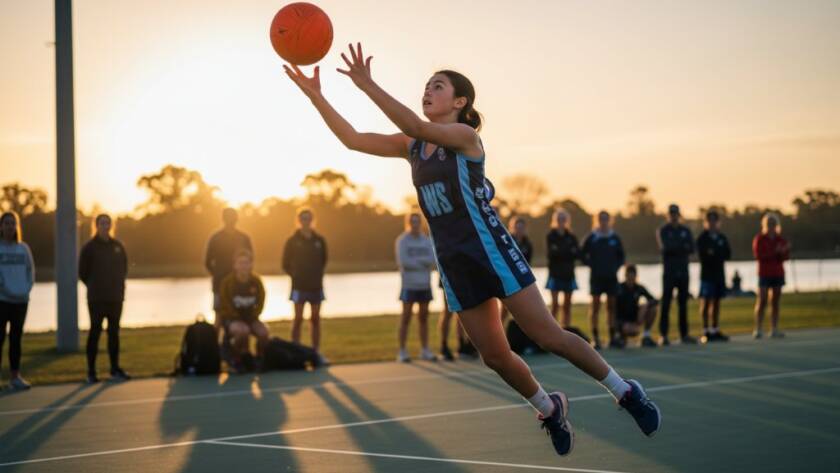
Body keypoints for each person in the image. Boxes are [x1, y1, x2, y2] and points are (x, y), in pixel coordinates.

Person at [283, 45, 660, 456]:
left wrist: (366, 83)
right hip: (453, 261)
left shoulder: (465, 138)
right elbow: (353, 139)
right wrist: (315, 95)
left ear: (459, 102)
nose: (427, 91)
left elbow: (415, 124)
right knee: (495, 356)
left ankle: (626, 392)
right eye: (426, 86)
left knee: (548, 334)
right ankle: (548, 407)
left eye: (437, 87)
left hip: (490, 250)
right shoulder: (412, 145)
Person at [78, 214, 130, 383]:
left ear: (111, 225)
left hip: (116, 297)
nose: (105, 226)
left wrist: (118, 287)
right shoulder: (89, 248)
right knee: (95, 332)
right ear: (96, 225)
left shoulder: (118, 246)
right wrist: (95, 286)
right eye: (102, 223)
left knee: (114, 333)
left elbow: (124, 269)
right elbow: (83, 273)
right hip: (96, 298)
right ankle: (91, 372)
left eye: (108, 223)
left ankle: (115, 369)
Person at [282, 208, 328, 354]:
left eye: (308, 218)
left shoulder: (319, 240)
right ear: (299, 220)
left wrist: (316, 274)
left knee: (315, 319)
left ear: (312, 220)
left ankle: (316, 351)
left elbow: (324, 260)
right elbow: (285, 263)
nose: (306, 221)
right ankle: (295, 351)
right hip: (299, 286)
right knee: (298, 318)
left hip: (316, 285)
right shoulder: (292, 241)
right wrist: (295, 275)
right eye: (303, 218)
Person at [395, 211, 437, 362]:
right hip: (409, 285)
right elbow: (404, 262)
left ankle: (425, 349)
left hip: (424, 284)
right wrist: (422, 262)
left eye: (417, 221)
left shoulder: (426, 240)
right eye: (412, 221)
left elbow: (432, 260)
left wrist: (418, 262)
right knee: (406, 317)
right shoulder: (402, 241)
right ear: (408, 223)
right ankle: (402, 351)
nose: (415, 224)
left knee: (424, 318)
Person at [218, 249, 270, 372]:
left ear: (251, 264)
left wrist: (253, 316)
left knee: (264, 332)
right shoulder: (227, 283)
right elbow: (224, 305)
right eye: (240, 263)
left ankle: (259, 358)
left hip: (251, 318)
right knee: (243, 331)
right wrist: (237, 317)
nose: (243, 266)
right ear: (235, 265)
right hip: (232, 319)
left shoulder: (256, 282)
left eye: (246, 262)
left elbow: (261, 302)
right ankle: (235, 359)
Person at [580, 211, 625, 350]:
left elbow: (621, 257)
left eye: (606, 219)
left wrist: (614, 268)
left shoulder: (614, 237)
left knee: (611, 307)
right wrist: (592, 265)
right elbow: (581, 254)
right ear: (597, 220)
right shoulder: (592, 237)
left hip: (611, 278)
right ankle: (596, 338)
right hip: (596, 278)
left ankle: (612, 337)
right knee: (595, 307)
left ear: (609, 220)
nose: (603, 221)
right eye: (601, 219)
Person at [0, 212, 34, 390]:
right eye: (6, 223)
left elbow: (30, 271)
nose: (10, 226)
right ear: (1, 226)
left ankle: (15, 377)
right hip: (3, 301)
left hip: (21, 302)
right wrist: (8, 291)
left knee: (16, 340)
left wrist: (25, 290)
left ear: (16, 226)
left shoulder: (23, 248)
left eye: (12, 223)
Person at [205, 208, 253, 328]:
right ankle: (214, 345)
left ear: (237, 219)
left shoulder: (243, 238)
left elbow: (251, 259)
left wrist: (243, 275)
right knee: (219, 317)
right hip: (219, 283)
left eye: (233, 217)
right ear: (223, 219)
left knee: (241, 316)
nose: (230, 220)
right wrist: (217, 274)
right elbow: (207, 261)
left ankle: (239, 345)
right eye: (228, 217)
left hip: (240, 285)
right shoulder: (215, 238)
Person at [656, 204, 695, 345]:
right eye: (671, 213)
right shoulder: (663, 230)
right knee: (666, 303)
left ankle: (684, 334)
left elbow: (691, 248)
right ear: (668, 215)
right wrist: (680, 246)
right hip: (669, 272)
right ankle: (663, 335)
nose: (674, 216)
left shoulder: (685, 230)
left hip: (683, 272)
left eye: (676, 213)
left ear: (679, 214)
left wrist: (676, 247)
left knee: (683, 304)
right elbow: (666, 248)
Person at [696, 210, 731, 343]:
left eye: (714, 221)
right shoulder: (702, 238)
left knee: (716, 302)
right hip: (707, 275)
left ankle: (715, 329)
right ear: (706, 223)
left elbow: (727, 254)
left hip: (719, 275)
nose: (712, 224)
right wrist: (715, 254)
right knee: (705, 302)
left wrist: (714, 253)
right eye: (709, 221)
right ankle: (705, 331)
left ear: (718, 223)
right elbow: (703, 256)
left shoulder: (722, 238)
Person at [753, 213, 790, 339]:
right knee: (762, 300)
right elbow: (759, 256)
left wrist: (783, 252)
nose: (771, 226)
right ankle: (758, 328)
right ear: (764, 225)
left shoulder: (781, 240)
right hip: (764, 273)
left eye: (773, 224)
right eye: (769, 224)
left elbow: (785, 257)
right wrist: (775, 252)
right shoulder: (760, 239)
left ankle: (774, 328)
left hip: (777, 273)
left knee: (775, 301)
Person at [545, 209, 579, 328]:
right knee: (555, 305)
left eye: (563, 219)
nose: (561, 221)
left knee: (567, 305)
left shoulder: (572, 237)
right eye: (559, 219)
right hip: (555, 274)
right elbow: (551, 255)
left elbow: (576, 254)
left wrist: (561, 251)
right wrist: (567, 252)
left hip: (569, 274)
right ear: (555, 220)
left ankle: (566, 328)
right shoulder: (551, 236)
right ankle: (553, 329)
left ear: (567, 221)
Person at [615, 265, 658, 347]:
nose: (631, 278)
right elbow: (612, 309)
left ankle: (646, 336)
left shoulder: (639, 288)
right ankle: (619, 336)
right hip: (622, 321)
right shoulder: (619, 288)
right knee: (630, 329)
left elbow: (655, 300)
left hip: (635, 319)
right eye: (629, 275)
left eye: (633, 275)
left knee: (653, 308)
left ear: (636, 276)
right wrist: (619, 324)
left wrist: (644, 307)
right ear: (625, 275)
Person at [500, 215, 532, 323]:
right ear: (512, 227)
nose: (519, 230)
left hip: (522, 279)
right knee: (505, 309)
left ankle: (517, 335)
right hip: (508, 278)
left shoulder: (528, 243)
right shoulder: (506, 241)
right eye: (517, 227)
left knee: (522, 309)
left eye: (521, 228)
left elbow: (528, 264)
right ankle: (501, 333)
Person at [438, 278, 476, 361]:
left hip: (464, 275)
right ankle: (444, 345)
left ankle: (462, 344)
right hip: (448, 274)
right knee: (448, 311)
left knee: (464, 309)